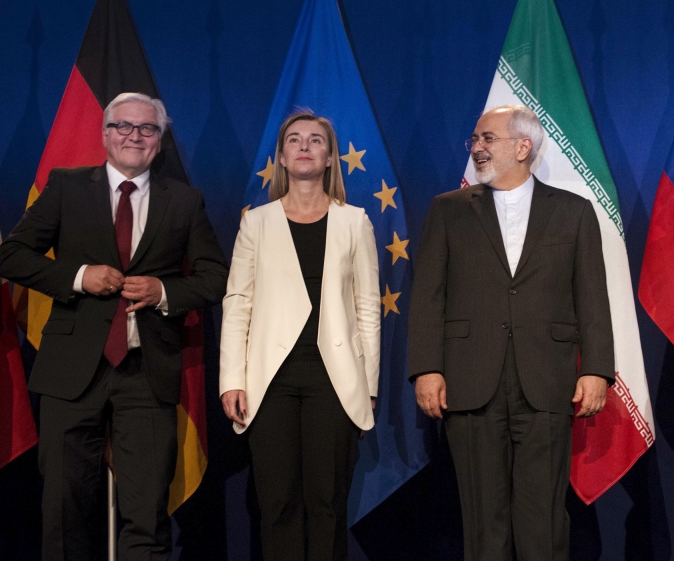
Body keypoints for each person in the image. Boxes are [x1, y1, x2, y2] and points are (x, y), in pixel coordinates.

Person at [0, 92, 228, 560]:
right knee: (64, 510)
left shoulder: (184, 201)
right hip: (70, 371)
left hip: (146, 372)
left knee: (146, 514)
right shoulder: (65, 186)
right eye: (123, 126)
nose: (134, 136)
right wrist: (80, 277)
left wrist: (163, 292)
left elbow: (215, 278)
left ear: (159, 141)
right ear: (105, 135)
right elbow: (12, 256)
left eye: (147, 128)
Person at [408, 104, 614, 561]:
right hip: (469, 381)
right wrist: (426, 368)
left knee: (543, 519)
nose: (477, 148)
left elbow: (592, 297)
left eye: (488, 138)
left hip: (547, 380)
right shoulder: (448, 210)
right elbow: (428, 297)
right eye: (474, 140)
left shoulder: (574, 212)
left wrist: (597, 369)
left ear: (523, 147)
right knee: (484, 520)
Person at [218, 111, 380, 561]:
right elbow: (238, 303)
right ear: (282, 157)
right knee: (278, 503)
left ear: (329, 158)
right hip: (270, 381)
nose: (304, 146)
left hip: (335, 380)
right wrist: (232, 379)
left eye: (315, 140)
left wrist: (368, 385)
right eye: (294, 139)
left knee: (327, 504)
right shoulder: (256, 223)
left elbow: (368, 309)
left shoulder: (355, 221)